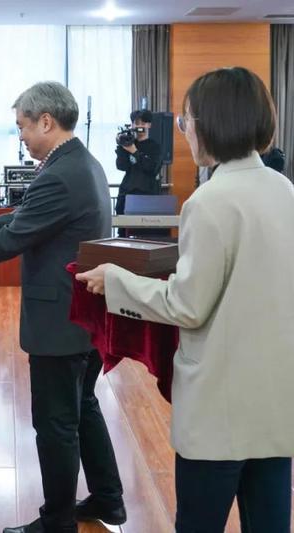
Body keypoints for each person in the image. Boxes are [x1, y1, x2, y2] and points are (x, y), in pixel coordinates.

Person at [77, 67, 294, 533]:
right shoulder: (285, 190)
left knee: (198, 522)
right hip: (278, 398)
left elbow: (186, 306)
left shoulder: (210, 200)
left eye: (186, 120)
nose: (184, 131)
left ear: (212, 123)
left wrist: (116, 280)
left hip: (220, 402)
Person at [0, 81, 124, 533]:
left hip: (61, 319)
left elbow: (18, 235)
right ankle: (108, 499)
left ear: (46, 121)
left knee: (56, 423)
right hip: (85, 314)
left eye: (22, 126)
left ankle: (57, 522)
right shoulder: (82, 162)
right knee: (84, 407)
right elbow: (29, 214)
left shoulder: (59, 172)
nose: (21, 136)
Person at [114, 109, 162, 215]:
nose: (139, 126)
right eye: (136, 123)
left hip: (146, 198)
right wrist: (121, 147)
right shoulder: (129, 143)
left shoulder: (155, 147)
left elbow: (152, 168)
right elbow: (121, 166)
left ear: (149, 125)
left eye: (143, 123)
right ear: (132, 125)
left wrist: (134, 151)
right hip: (126, 196)